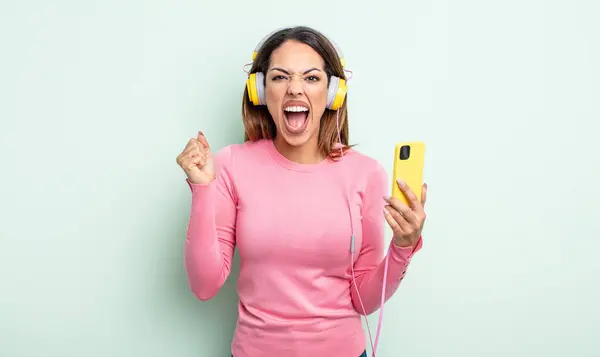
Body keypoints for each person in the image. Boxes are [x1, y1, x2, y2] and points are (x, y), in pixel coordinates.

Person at [175, 26, 428, 357]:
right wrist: (202, 188)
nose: (295, 89)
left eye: (311, 78)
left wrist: (403, 247)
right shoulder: (231, 165)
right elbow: (204, 286)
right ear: (261, 91)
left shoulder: (365, 174)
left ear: (333, 92)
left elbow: (364, 301)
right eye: (280, 77)